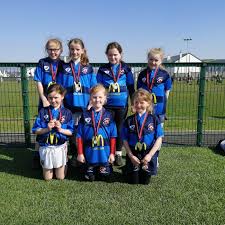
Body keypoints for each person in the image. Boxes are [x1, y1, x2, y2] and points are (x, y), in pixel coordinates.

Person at [96, 42, 135, 166]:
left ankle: (118, 153)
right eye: (110, 55)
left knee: (119, 129)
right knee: (106, 129)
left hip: (121, 106)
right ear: (106, 55)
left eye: (115, 55)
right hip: (106, 106)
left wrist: (133, 103)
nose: (113, 57)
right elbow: (98, 88)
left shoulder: (127, 68)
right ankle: (108, 152)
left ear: (121, 54)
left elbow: (131, 87)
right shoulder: (102, 69)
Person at [61, 38, 97, 166]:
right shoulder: (65, 67)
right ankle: (74, 155)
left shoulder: (88, 68)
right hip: (69, 106)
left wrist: (91, 103)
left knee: (84, 131)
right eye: (72, 49)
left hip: (85, 106)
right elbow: (61, 88)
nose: (74, 52)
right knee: (72, 131)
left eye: (77, 49)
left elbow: (93, 88)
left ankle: (84, 155)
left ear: (82, 51)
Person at [32, 38, 64, 169]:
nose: (53, 52)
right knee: (42, 125)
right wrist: (43, 98)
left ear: (60, 50)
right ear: (47, 50)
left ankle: (60, 152)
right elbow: (39, 81)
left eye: (56, 49)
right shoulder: (42, 62)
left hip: (58, 102)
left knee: (57, 125)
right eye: (50, 49)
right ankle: (37, 153)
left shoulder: (63, 64)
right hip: (46, 101)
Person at [32, 84, 74, 180]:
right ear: (47, 97)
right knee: (47, 178)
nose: (53, 100)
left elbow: (71, 132)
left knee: (60, 177)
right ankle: (44, 163)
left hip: (60, 147)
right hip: (46, 147)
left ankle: (65, 160)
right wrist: (47, 129)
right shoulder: (43, 112)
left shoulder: (67, 113)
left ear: (62, 96)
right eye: (50, 98)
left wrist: (61, 129)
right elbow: (35, 131)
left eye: (56, 97)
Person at [122, 89, 164, 184]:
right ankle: (130, 168)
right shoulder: (129, 120)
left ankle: (145, 167)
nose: (139, 105)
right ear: (133, 103)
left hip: (148, 152)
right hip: (133, 152)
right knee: (133, 181)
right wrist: (131, 156)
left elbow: (159, 138)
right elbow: (124, 139)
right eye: (136, 102)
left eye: (142, 102)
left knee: (145, 182)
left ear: (148, 103)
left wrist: (149, 155)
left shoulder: (154, 119)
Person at [76, 84, 117, 181]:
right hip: (90, 154)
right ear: (90, 98)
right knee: (89, 178)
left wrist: (112, 153)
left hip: (104, 154)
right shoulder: (85, 115)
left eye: (100, 97)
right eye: (94, 97)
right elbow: (79, 136)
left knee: (105, 177)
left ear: (105, 98)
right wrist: (80, 153)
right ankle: (90, 167)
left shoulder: (109, 115)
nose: (97, 100)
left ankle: (105, 166)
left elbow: (113, 136)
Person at [137, 48, 172, 126]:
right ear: (148, 59)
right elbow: (139, 91)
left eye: (156, 60)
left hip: (159, 106)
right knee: (144, 128)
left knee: (159, 130)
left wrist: (164, 102)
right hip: (145, 106)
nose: (153, 62)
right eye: (151, 59)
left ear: (161, 61)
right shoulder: (142, 74)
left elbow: (167, 91)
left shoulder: (165, 74)